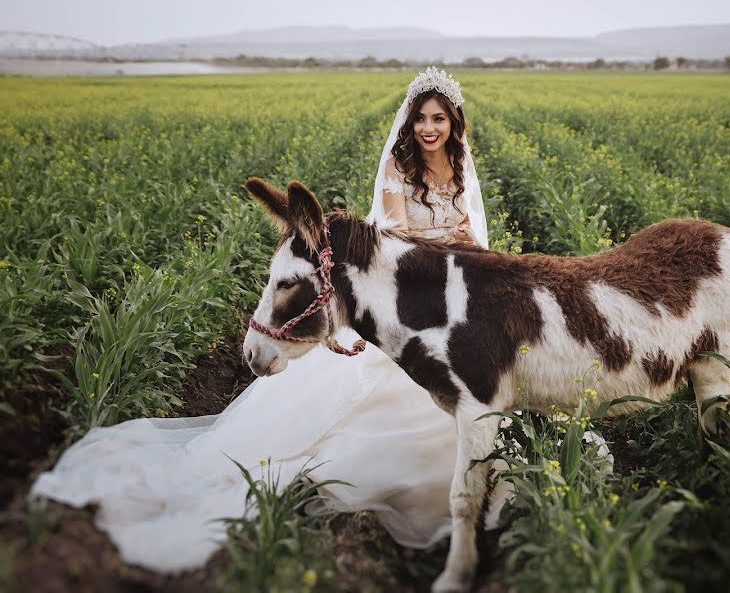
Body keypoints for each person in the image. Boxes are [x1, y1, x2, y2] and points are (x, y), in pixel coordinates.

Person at [28, 67, 502, 574]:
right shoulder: (398, 166)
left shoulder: (460, 165)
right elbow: (396, 240)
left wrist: (471, 246)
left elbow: (472, 231)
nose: (429, 129)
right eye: (421, 119)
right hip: (401, 293)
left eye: (439, 119)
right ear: (409, 124)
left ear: (454, 124)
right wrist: (450, 243)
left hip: (445, 294)